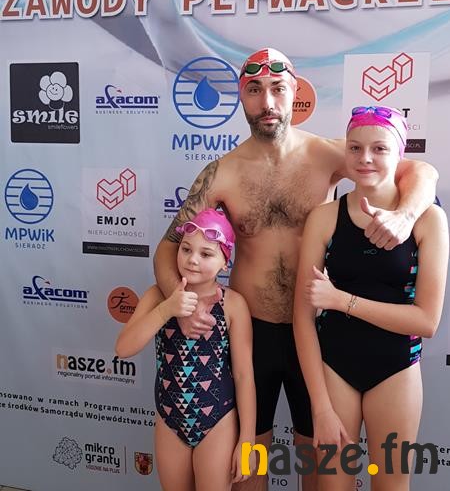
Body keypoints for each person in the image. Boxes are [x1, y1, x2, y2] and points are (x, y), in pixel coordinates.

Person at [154, 48, 438, 491]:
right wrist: (185, 306)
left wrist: (405, 216)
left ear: (295, 92)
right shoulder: (221, 173)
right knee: (249, 463)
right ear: (241, 97)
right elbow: (166, 250)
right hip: (251, 334)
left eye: (277, 89)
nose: (267, 102)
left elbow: (420, 170)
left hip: (320, 333)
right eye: (254, 90)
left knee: (318, 461)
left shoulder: (330, 154)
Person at [293, 106, 448, 491]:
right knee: (332, 485)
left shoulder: (428, 220)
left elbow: (426, 321)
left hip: (396, 369)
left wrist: (342, 300)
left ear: (400, 155)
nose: (365, 158)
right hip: (334, 369)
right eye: (355, 147)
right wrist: (321, 408)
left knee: (391, 485)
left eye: (379, 148)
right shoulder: (324, 217)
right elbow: (302, 318)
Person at [116, 209, 256, 491]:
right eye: (186, 249)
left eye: (206, 254)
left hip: (218, 421)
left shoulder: (233, 304)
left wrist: (248, 442)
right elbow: (123, 349)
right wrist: (167, 309)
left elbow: (244, 376)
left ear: (224, 262)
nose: (192, 259)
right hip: (170, 419)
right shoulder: (158, 296)